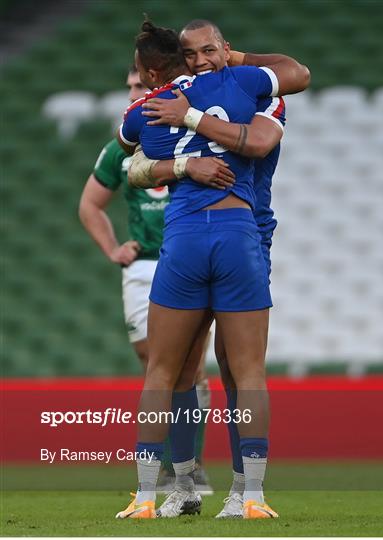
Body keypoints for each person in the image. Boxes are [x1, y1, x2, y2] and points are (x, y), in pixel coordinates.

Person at [115, 19, 307, 520]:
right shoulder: (236, 88)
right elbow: (132, 168)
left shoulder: (257, 91)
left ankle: (241, 490)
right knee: (191, 368)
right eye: (195, 55)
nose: (203, 61)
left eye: (210, 52)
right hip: (231, 232)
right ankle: (186, 487)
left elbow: (259, 142)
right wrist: (183, 165)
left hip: (247, 229)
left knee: (224, 370)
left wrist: (190, 118)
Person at [78, 65, 234, 495]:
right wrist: (114, 249)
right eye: (128, 86)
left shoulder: (199, 133)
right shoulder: (121, 147)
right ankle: (170, 469)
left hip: (187, 260)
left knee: (189, 367)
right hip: (144, 265)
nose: (131, 92)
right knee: (154, 364)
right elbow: (90, 205)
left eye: (139, 86)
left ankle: (186, 469)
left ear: (162, 87)